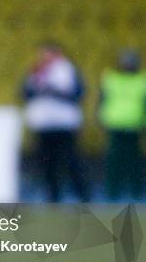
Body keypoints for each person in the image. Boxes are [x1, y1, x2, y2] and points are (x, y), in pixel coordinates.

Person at [22, 42, 89, 202]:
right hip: (44, 124)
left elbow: (77, 93)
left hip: (64, 123)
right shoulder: (36, 71)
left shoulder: (67, 69)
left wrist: (53, 91)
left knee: (70, 160)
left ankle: (83, 195)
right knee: (47, 163)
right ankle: (53, 196)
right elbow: (25, 92)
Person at [99, 49, 145, 201]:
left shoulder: (142, 80)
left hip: (134, 124)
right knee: (114, 160)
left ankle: (136, 190)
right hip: (115, 124)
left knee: (134, 160)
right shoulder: (111, 78)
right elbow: (103, 100)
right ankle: (113, 191)